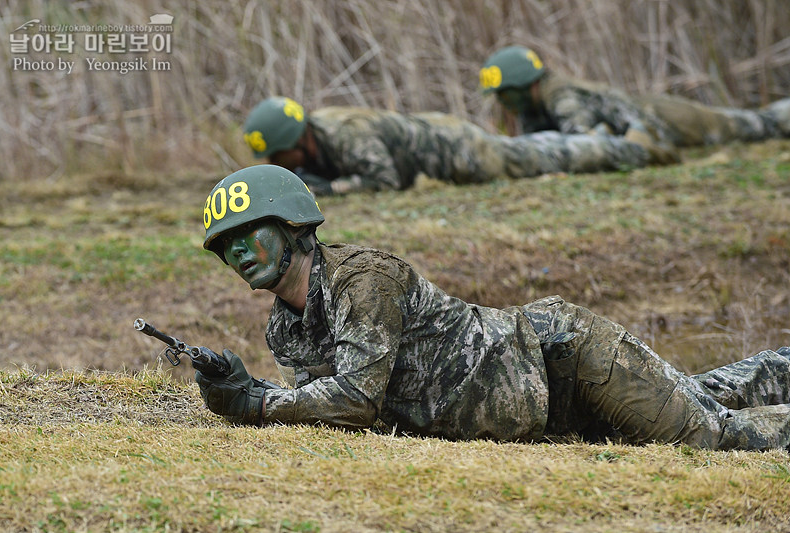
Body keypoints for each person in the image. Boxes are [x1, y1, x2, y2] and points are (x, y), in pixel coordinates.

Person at [194, 164, 790, 451]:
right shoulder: (286, 328)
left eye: (251, 234)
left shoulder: (362, 279)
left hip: (567, 361)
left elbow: (357, 398)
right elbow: (326, 413)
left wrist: (259, 403)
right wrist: (249, 393)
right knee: (709, 392)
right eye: (227, 246)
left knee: (716, 441)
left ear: (295, 226)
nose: (240, 252)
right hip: (545, 412)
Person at [241, 96, 671, 196]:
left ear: (297, 141)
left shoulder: (346, 133)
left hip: (459, 150)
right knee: (534, 150)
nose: (284, 165)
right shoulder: (316, 139)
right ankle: (596, 139)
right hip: (445, 140)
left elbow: (384, 181)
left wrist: (333, 191)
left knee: (540, 158)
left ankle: (633, 148)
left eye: (281, 157)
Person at [480, 45, 790, 148]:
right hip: (650, 112)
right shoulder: (535, 104)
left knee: (750, 126)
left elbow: (583, 141)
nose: (502, 102)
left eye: (504, 94)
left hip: (664, 116)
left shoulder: (562, 96)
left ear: (523, 85)